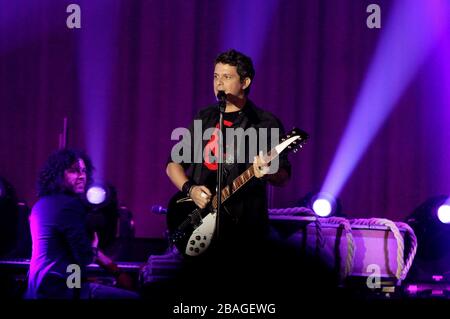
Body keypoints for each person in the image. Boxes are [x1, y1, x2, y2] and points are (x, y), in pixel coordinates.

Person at [166, 49, 291, 296]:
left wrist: (266, 173)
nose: (219, 83)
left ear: (245, 82)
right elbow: (173, 165)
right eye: (215, 77)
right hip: (201, 228)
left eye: (226, 77)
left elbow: (284, 175)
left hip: (246, 235)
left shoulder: (265, 122)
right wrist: (190, 189)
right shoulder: (205, 117)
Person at [25, 149, 138, 299]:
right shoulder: (69, 205)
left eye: (84, 171)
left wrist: (115, 271)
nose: (82, 176)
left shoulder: (42, 203)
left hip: (38, 288)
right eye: (74, 171)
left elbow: (67, 253)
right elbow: (84, 256)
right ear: (58, 174)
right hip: (58, 291)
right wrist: (94, 250)